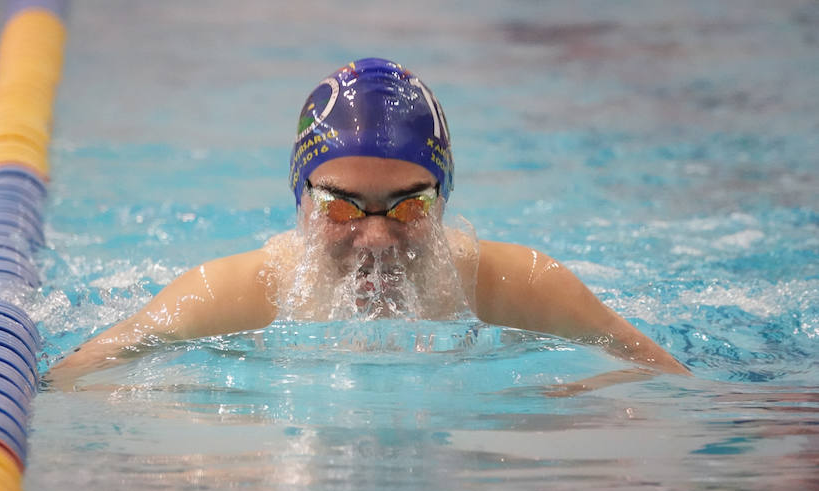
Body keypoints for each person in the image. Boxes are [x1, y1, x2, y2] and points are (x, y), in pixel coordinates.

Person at [48, 58, 689, 389]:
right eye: (341, 206)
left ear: (444, 199)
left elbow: (671, 386)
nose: (376, 238)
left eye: (409, 205)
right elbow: (76, 377)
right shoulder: (236, 294)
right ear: (301, 201)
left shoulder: (517, 286)